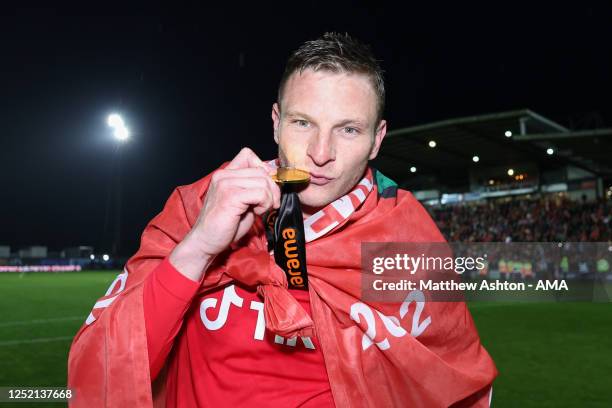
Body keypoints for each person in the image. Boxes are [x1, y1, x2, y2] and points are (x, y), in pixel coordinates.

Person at [68, 32, 496, 407]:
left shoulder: (406, 240)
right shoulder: (201, 203)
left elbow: (451, 382)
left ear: (376, 140)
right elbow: (107, 365)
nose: (321, 152)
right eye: (302, 122)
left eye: (347, 129)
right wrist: (197, 249)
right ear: (276, 123)